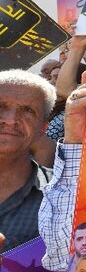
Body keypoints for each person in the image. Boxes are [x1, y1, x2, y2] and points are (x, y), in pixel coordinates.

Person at [0, 70, 55, 251]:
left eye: (28, 111)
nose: (10, 120)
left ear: (43, 128)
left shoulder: (61, 198)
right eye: (1, 106)